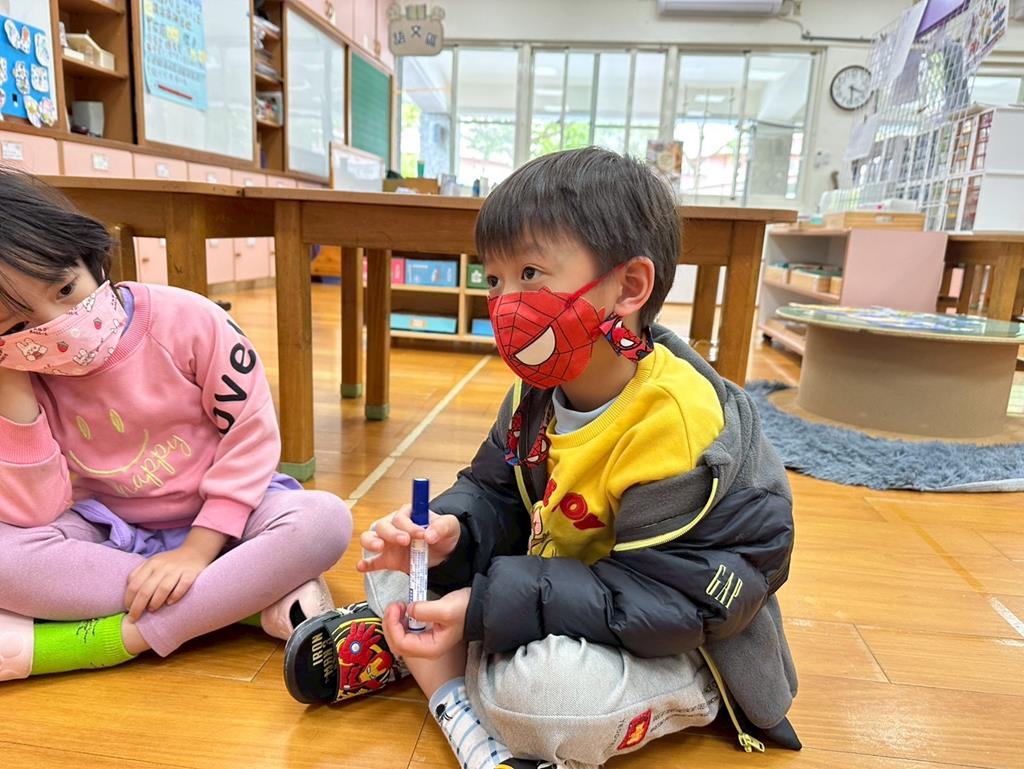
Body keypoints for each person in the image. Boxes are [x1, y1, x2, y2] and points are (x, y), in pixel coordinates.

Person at [285, 148, 799, 768]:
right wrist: (451, 534)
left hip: (677, 631)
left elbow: (661, 599)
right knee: (391, 563)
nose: (506, 302)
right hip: (559, 589)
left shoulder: (673, 419)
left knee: (545, 699)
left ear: (628, 287)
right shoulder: (538, 391)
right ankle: (453, 686)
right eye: (494, 280)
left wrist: (480, 610)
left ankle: (427, 658)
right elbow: (494, 491)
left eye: (530, 273)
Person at [0, 169, 351, 682]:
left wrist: (197, 550)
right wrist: (12, 383)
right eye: (18, 325)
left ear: (87, 254)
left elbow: (250, 434)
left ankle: (117, 639)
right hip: (111, 530)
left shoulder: (187, 319)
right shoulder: (19, 374)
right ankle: (245, 599)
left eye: (66, 288)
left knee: (324, 520)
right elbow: (37, 510)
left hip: (232, 519)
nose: (56, 324)